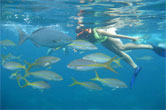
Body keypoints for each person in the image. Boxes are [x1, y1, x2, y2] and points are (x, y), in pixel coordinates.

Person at [75, 26, 166, 88]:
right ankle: (135, 67)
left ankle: (150, 47)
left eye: (85, 34)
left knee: (122, 48)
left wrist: (131, 38)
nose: (85, 37)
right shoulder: (81, 37)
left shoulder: (98, 31)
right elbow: (78, 44)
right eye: (82, 36)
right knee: (119, 54)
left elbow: (115, 35)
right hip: (103, 40)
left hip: (108, 33)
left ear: (88, 29)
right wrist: (76, 49)